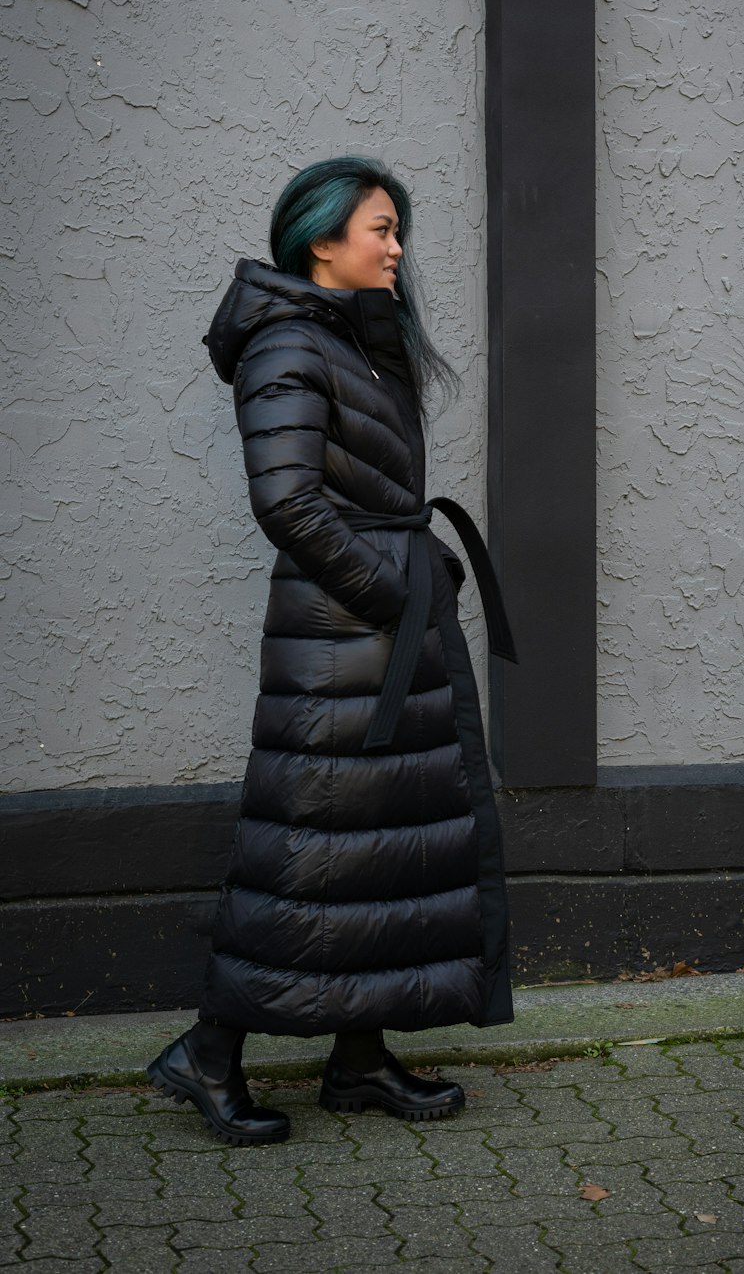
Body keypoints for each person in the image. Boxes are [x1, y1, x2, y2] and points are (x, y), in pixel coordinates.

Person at [147, 156, 516, 1146]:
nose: (398, 249)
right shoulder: (287, 347)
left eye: (399, 231)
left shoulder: (353, 341)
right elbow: (288, 501)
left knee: (380, 847)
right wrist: (395, 592)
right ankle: (208, 1054)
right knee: (311, 851)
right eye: (381, 229)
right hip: (345, 638)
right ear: (321, 240)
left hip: (379, 635)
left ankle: (357, 1058)